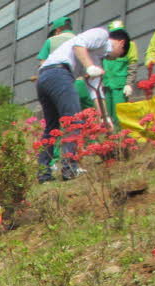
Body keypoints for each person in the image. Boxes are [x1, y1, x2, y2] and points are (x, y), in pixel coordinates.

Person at [36, 26, 131, 183]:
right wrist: (89, 67)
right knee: (74, 121)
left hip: (45, 77)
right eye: (118, 55)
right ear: (121, 44)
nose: (112, 59)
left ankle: (44, 174)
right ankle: (70, 168)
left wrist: (105, 117)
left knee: (52, 128)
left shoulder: (94, 56)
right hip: (59, 74)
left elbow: (96, 91)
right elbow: (78, 44)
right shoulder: (102, 35)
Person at [104, 20, 140, 127]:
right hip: (106, 85)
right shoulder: (104, 46)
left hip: (120, 87)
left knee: (119, 116)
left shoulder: (130, 45)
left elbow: (132, 65)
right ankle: (107, 140)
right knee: (106, 116)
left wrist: (129, 84)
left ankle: (119, 139)